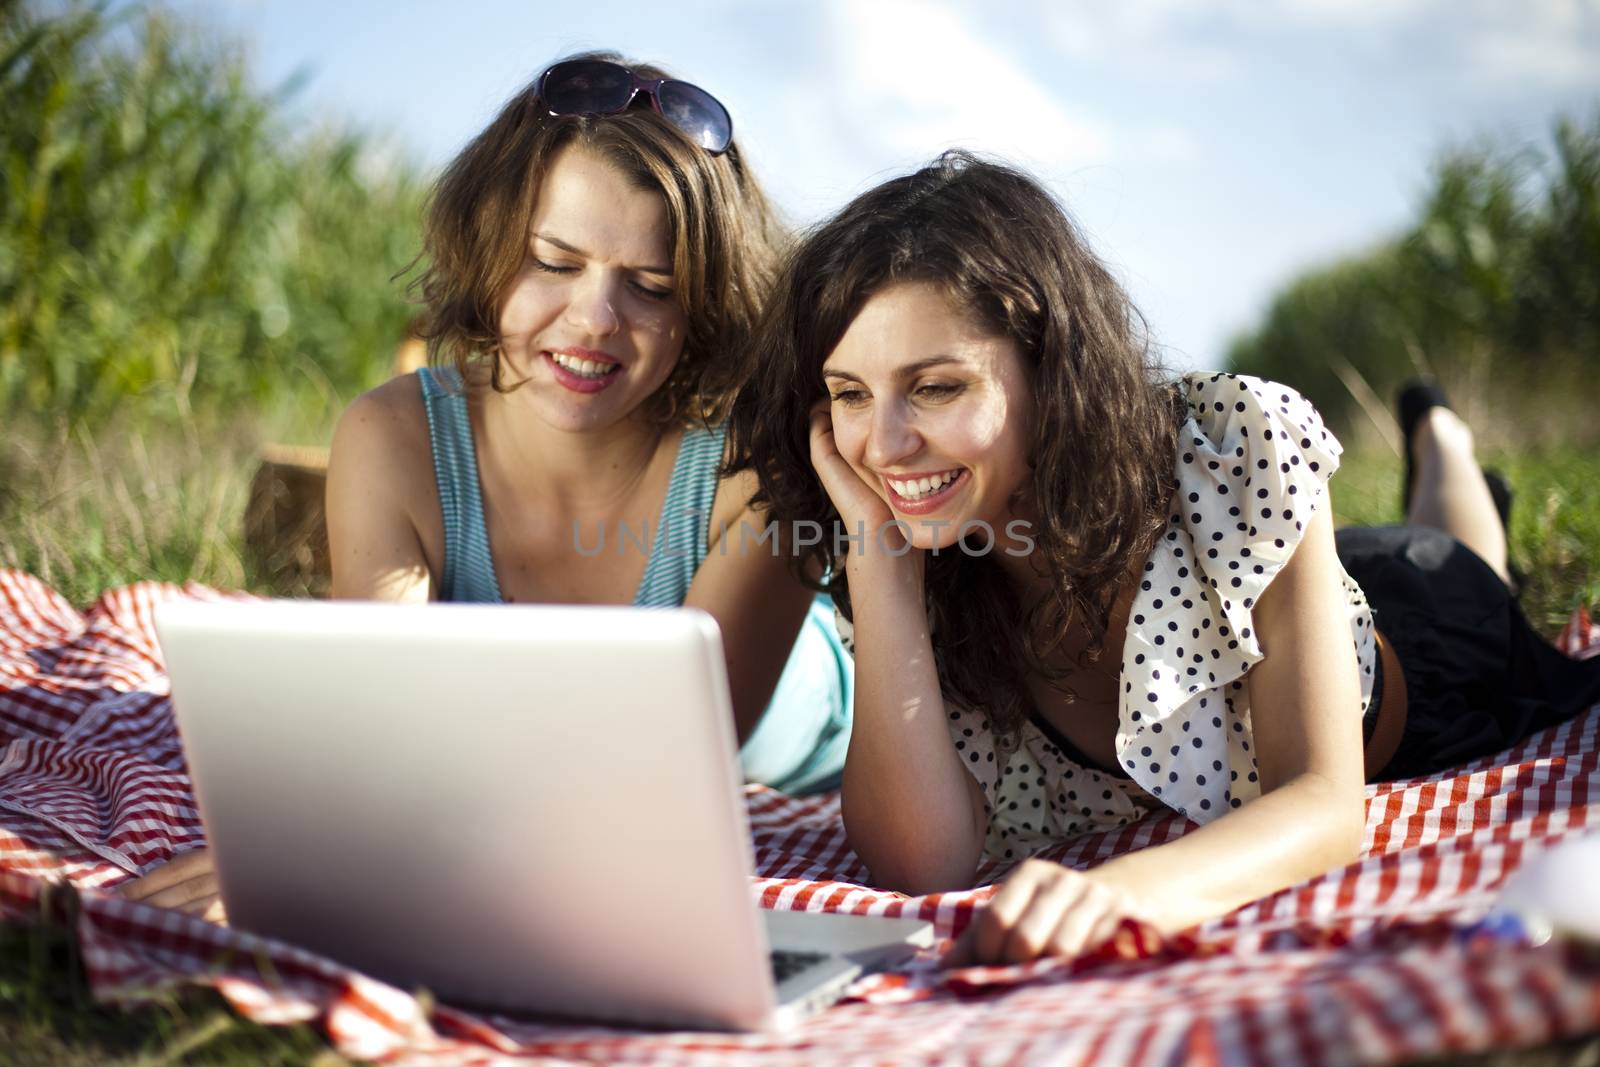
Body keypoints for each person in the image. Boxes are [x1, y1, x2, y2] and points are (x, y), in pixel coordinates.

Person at [727, 152, 1600, 967]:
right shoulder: (929, 553)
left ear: (1049, 366)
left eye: (936, 386)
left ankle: (1441, 438)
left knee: (1467, 553)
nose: (883, 444)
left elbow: (1326, 803)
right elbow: (919, 862)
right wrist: (880, 562)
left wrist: (1118, 892)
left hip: (1425, 642)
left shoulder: (1235, 447)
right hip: (1307, 589)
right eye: (849, 394)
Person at [122, 53, 853, 920]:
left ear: (701, 304)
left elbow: (662, 773)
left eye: (651, 286)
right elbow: (385, 720)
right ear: (492, 246)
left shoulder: (750, 471)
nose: (594, 319)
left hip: (795, 732)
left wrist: (374, 851)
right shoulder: (393, 438)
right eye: (554, 261)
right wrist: (314, 845)